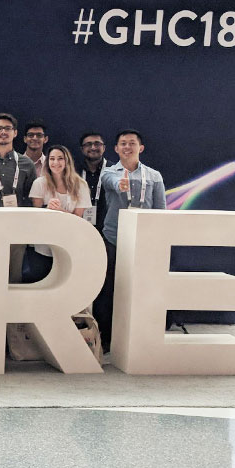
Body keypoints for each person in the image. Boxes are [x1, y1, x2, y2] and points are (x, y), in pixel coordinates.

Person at [94, 129, 166, 350]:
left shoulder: (154, 176)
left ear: (140, 148)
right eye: (122, 143)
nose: (127, 147)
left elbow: (160, 209)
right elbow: (113, 183)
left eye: (131, 143)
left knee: (141, 290)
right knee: (109, 290)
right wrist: (121, 185)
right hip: (114, 239)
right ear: (116, 149)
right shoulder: (108, 172)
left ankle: (138, 338)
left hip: (142, 242)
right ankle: (106, 339)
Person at [26, 145, 91, 283]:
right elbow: (35, 216)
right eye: (52, 159)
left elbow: (79, 220)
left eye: (60, 159)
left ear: (67, 161)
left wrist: (60, 211)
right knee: (41, 282)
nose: (56, 163)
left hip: (70, 242)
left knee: (67, 282)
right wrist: (46, 208)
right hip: (44, 244)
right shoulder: (39, 183)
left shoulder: (81, 185)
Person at [78, 131, 108, 230]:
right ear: (82, 149)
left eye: (97, 144)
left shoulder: (114, 170)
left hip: (107, 229)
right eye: (88, 144)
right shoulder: (73, 170)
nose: (93, 147)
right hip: (77, 227)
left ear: (104, 148)